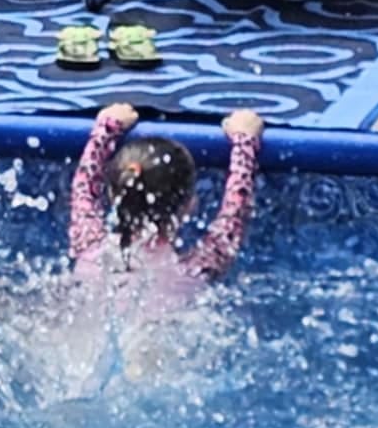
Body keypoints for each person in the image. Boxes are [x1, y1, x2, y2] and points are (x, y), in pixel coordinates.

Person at [68, 102, 264, 290]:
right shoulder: (195, 270)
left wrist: (106, 128)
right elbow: (235, 213)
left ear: (112, 195)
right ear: (190, 205)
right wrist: (244, 142)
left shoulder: (88, 244)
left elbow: (84, 185)